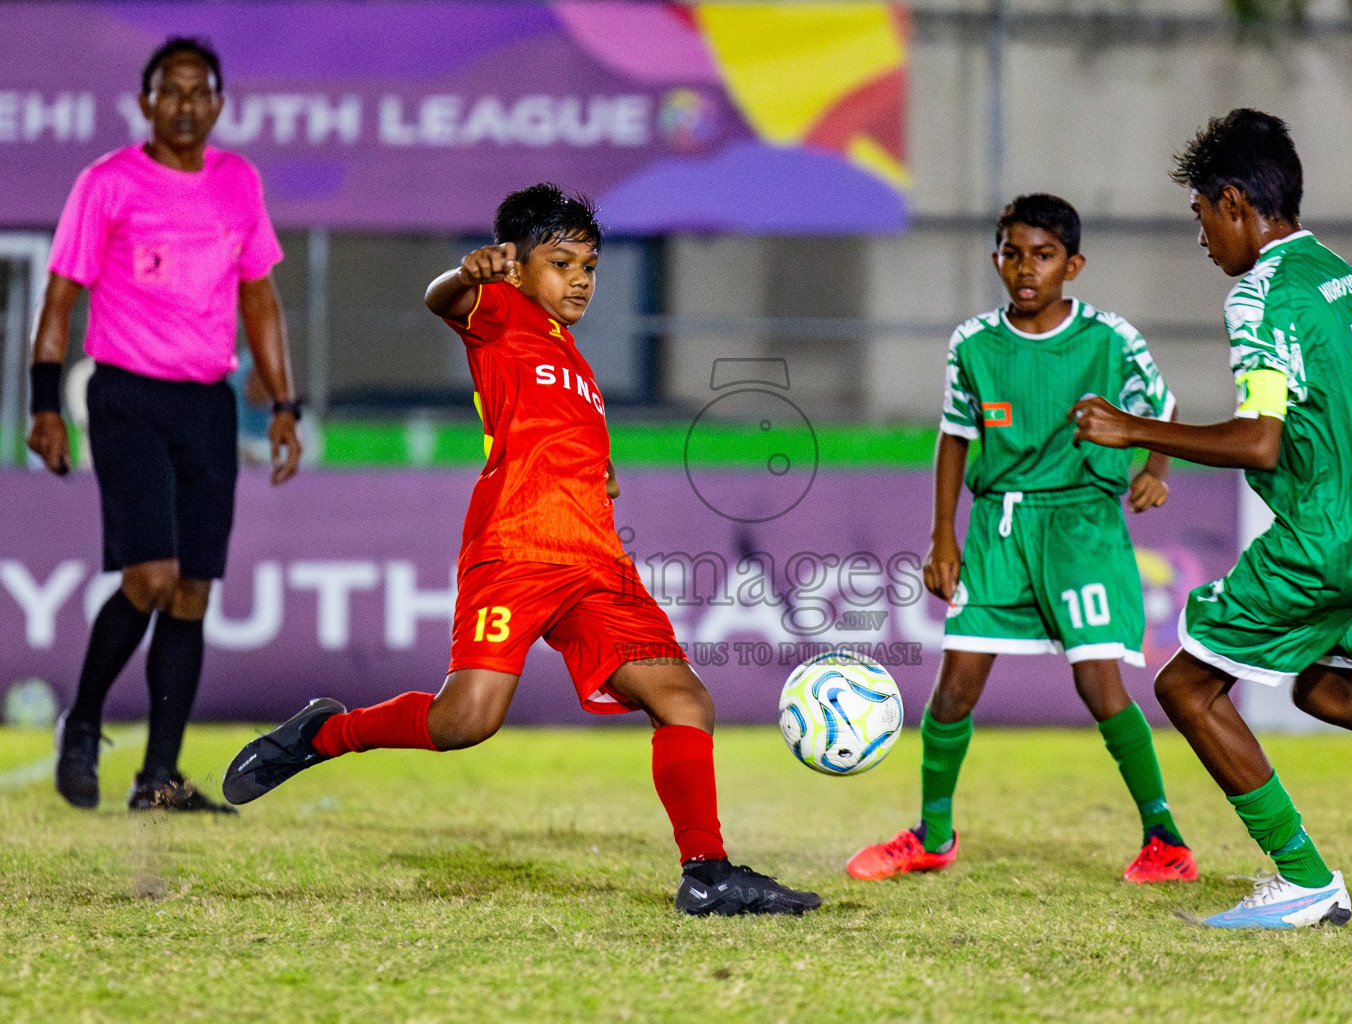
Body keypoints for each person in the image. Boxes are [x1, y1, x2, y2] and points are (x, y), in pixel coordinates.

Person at [222, 184, 820, 918]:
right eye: (561, 262)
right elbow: (441, 302)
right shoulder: (501, 312)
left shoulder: (577, 364)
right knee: (466, 720)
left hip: (596, 562)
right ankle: (328, 732)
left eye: (591, 267)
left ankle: (707, 871)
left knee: (685, 699)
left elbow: (557, 432)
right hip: (517, 549)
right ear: (514, 264)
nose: (580, 280)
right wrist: (469, 276)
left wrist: (599, 473)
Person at [1071, 109, 1352, 928]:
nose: (1205, 240)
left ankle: (1303, 879)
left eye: (1201, 219)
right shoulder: (1339, 272)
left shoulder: (1259, 296)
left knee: (1188, 685)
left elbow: (1258, 440)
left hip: (1334, 525)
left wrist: (1132, 427)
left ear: (1233, 202)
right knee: (1329, 688)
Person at [846, 194, 1198, 885]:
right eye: (1012, 254)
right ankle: (933, 835)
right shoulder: (973, 343)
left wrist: (1156, 468)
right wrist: (941, 536)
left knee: (1100, 687)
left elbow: (1164, 407)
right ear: (997, 259)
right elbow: (955, 436)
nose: (1026, 269)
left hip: (1082, 526)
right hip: (1000, 528)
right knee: (953, 690)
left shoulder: (1110, 338)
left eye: (1043, 255)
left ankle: (1166, 840)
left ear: (1073, 264)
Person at [30, 37, 302, 812]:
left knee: (190, 592)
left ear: (218, 102)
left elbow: (260, 298)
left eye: (199, 91)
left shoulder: (237, 181)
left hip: (206, 403)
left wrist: (283, 404)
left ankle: (159, 778)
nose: (185, 105)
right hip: (126, 396)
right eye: (169, 91)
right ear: (146, 102)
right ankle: (81, 723)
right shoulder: (108, 183)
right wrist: (44, 403)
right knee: (147, 579)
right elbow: (58, 297)